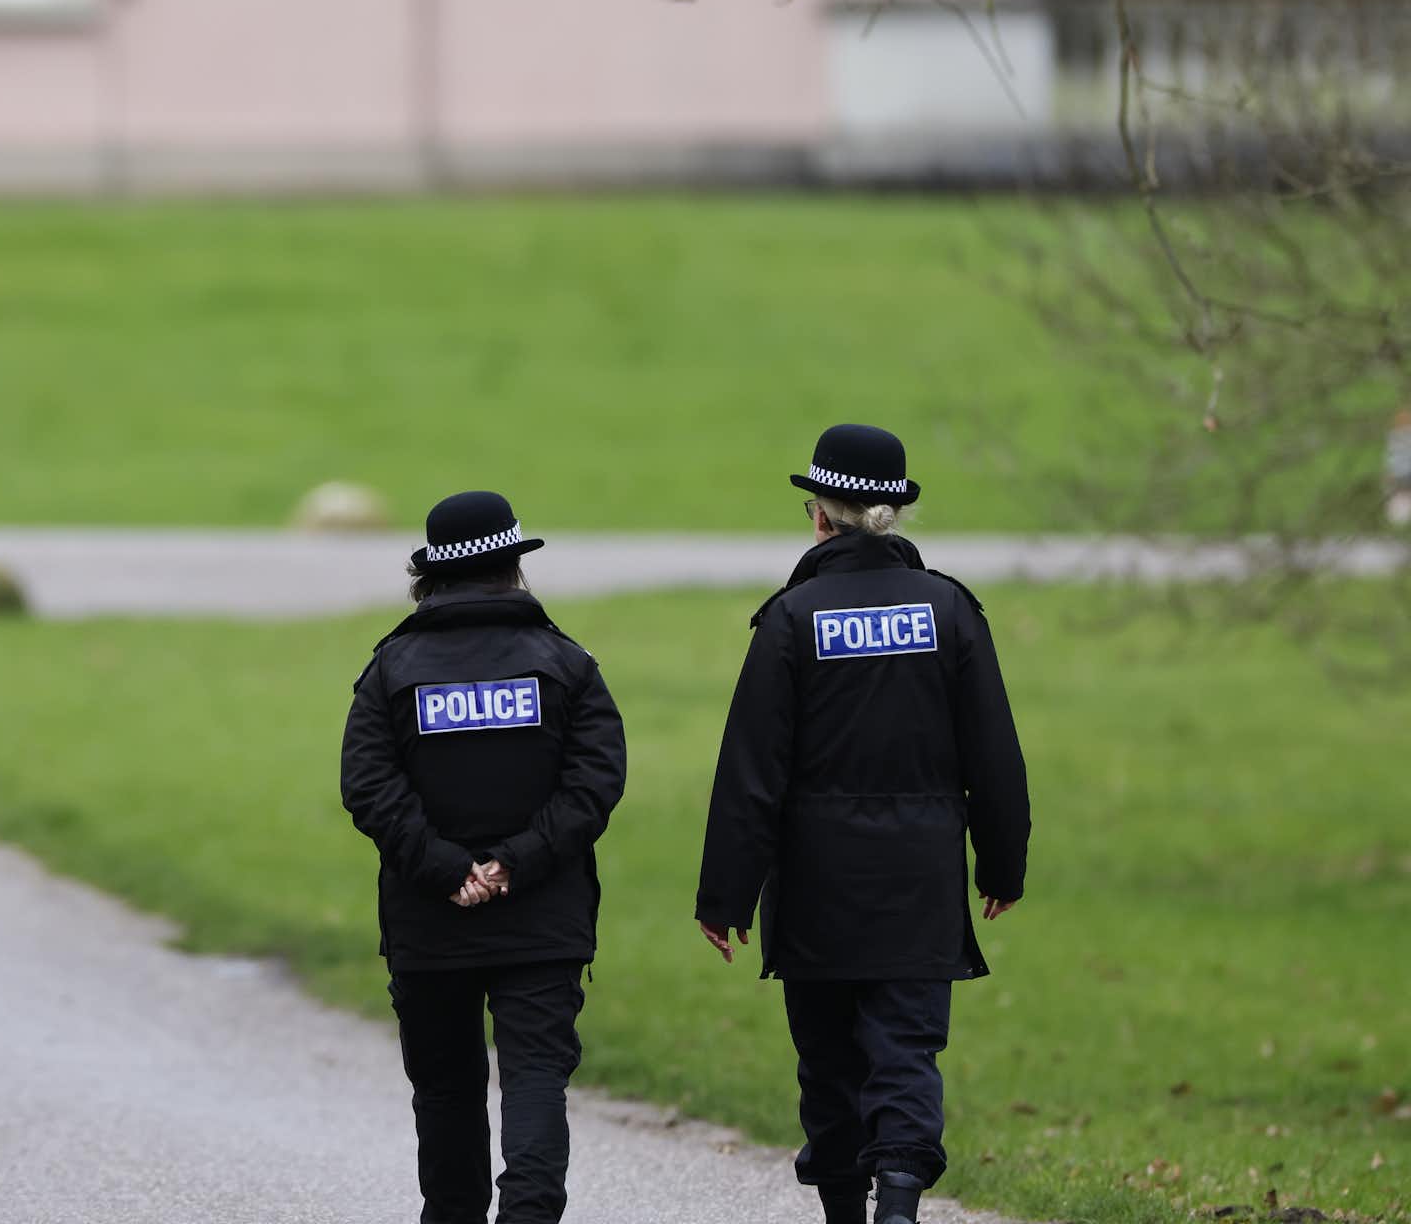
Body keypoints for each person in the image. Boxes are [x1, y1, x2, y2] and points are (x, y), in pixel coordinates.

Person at [695, 424, 1032, 1224]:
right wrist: (1001, 866)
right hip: (919, 878)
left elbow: (752, 774)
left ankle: (847, 1210)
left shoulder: (791, 618)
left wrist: (725, 897)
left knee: (829, 1056)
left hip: (815, 883)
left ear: (820, 515)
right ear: (895, 512)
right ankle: (902, 1204)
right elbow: (995, 752)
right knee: (907, 1048)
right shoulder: (949, 609)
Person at [340, 490, 629, 1224]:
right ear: (513, 568)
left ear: (431, 575)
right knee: (535, 1079)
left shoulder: (389, 672)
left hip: (429, 921)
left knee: (446, 1089)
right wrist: (514, 864)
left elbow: (368, 788)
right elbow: (594, 785)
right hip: (541, 916)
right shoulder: (567, 665)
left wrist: (447, 870)